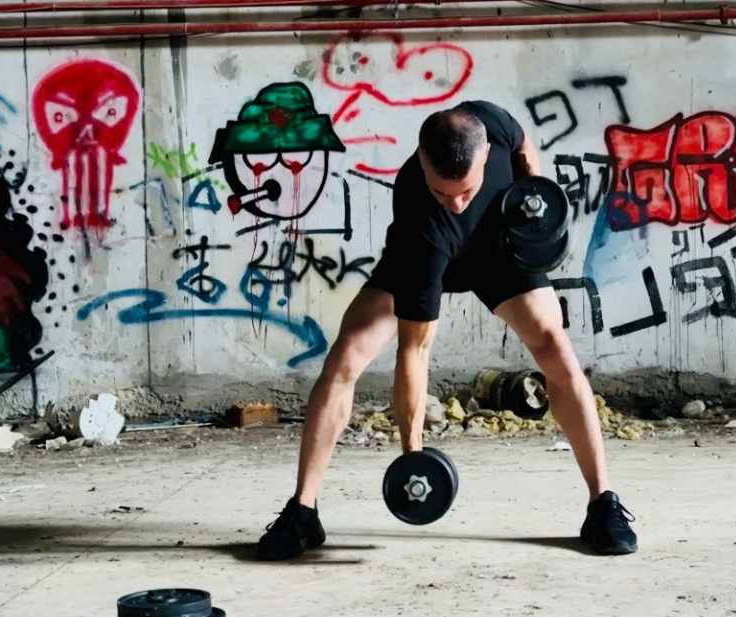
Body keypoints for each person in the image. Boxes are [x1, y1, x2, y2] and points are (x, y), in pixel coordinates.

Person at [255, 100, 638, 561]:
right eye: (443, 193)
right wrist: (413, 454)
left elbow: (523, 146)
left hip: (498, 253)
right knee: (346, 357)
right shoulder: (424, 221)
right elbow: (414, 353)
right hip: (428, 257)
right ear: (421, 163)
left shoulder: (489, 121)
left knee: (555, 346)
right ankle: (303, 512)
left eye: (466, 191)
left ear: (485, 152)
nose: (456, 202)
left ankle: (603, 504)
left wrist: (528, 203)